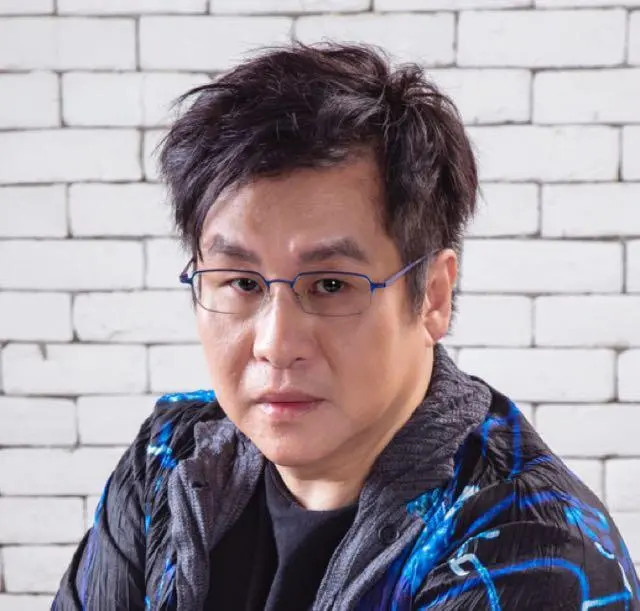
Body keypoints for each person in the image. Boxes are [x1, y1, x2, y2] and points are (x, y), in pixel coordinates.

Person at [52, 42, 639, 611]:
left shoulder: (531, 556)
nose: (276, 345)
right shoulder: (170, 458)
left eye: (331, 285)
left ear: (433, 296)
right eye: (242, 283)